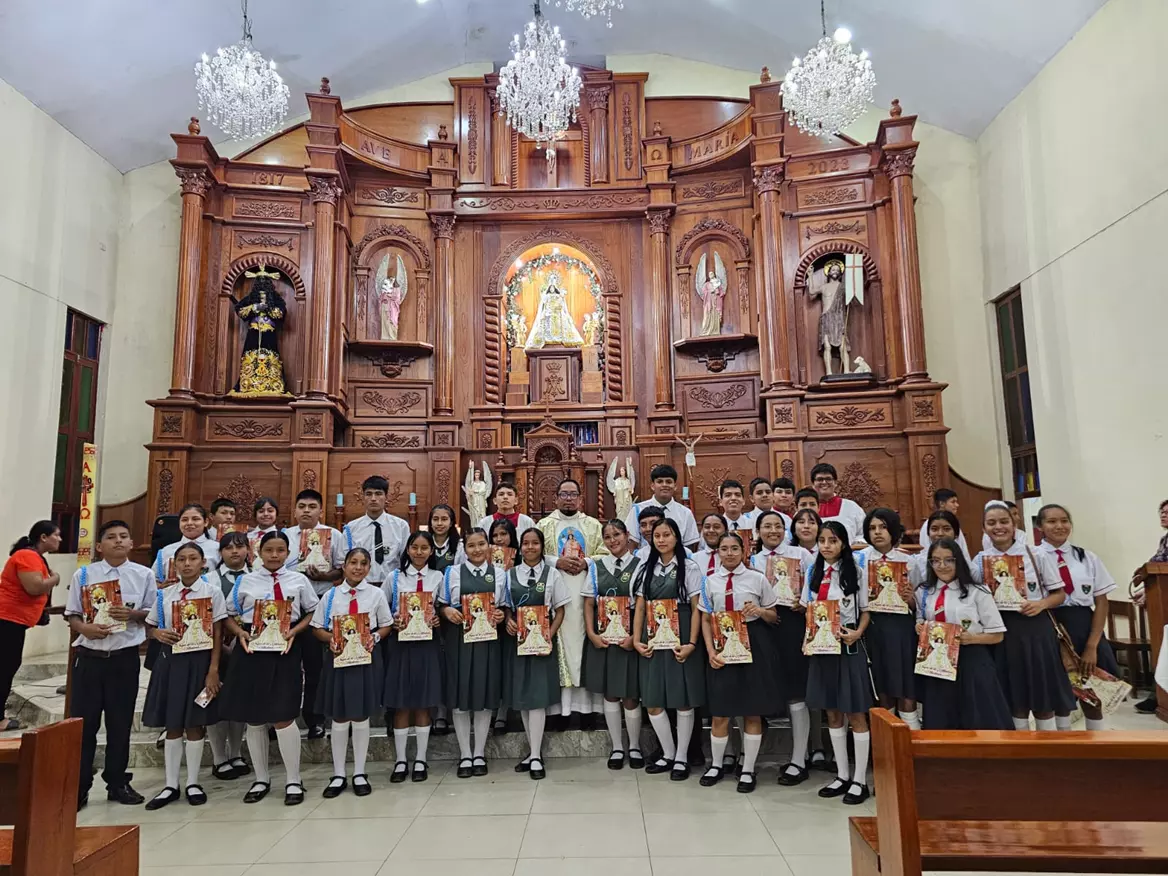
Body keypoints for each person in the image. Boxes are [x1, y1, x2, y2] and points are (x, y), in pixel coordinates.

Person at [221, 531, 319, 805]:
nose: (274, 555)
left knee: (284, 715)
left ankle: (293, 779)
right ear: (259, 552)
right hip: (252, 652)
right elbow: (227, 614)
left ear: (288, 553)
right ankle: (261, 778)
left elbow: (313, 611)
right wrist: (239, 632)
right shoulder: (245, 581)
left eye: (280, 550)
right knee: (254, 717)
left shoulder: (298, 580)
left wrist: (295, 631)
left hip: (285, 650)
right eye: (269, 550)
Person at [65, 520, 152, 808]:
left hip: (123, 659)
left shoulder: (143, 575)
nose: (118, 541)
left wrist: (133, 615)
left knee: (120, 723)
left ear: (131, 543)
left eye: (124, 536)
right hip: (90, 659)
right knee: (84, 725)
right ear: (100, 546)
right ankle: (79, 786)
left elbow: (152, 613)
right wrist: (84, 628)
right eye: (111, 537)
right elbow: (72, 614)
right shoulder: (84, 574)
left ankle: (117, 782)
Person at [972, 500, 1074, 731]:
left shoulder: (1036, 554)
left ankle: (1047, 744)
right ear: (984, 528)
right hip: (1001, 632)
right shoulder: (979, 560)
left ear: (1014, 523)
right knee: (1012, 695)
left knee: (1042, 694)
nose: (999, 527)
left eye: (1004, 521)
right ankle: (1020, 744)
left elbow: (1059, 594)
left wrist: (1041, 604)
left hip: (1035, 630)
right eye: (992, 523)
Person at [142, 542, 227, 809]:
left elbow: (217, 633)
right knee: (173, 724)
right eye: (181, 559)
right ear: (175, 564)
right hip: (171, 663)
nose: (187, 564)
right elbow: (149, 627)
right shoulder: (165, 595)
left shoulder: (212, 593)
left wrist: (213, 670)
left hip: (200, 663)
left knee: (194, 724)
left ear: (203, 563)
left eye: (193, 558)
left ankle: (192, 782)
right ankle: (171, 785)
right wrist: (157, 633)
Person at [699, 533, 781, 793]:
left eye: (735, 548)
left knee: (751, 711)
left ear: (744, 551)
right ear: (718, 553)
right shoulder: (710, 581)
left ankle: (748, 768)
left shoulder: (757, 579)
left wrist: (760, 611)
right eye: (724, 549)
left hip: (753, 646)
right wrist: (710, 651)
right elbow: (705, 619)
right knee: (720, 711)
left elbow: (774, 616)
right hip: (722, 646)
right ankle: (716, 765)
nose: (730, 553)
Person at [312, 548, 393, 798]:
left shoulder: (376, 594)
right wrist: (330, 639)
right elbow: (317, 627)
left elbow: (386, 625)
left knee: (360, 715)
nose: (358, 568)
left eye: (363, 563)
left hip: (366, 660)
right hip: (339, 660)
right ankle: (338, 774)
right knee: (339, 716)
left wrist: (374, 638)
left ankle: (359, 772)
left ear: (369, 568)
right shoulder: (331, 595)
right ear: (344, 566)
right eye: (353, 563)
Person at [802, 521, 873, 805]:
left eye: (832, 540)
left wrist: (857, 633)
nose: (826, 546)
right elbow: (809, 610)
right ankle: (842, 775)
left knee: (855, 713)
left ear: (843, 543)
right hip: (822, 649)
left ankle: (859, 780)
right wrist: (807, 639)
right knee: (832, 712)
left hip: (848, 646)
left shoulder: (855, 571)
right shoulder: (813, 571)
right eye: (822, 540)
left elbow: (865, 610)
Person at [631, 518, 705, 781]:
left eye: (667, 535)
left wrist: (692, 643)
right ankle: (669, 753)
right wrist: (636, 639)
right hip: (652, 637)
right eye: (657, 536)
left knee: (682, 700)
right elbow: (641, 607)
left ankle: (682, 757)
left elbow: (697, 608)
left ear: (677, 537)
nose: (661, 540)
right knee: (653, 701)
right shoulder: (645, 569)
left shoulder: (690, 567)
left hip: (680, 636)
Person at [1035, 504, 1120, 730]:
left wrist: (1092, 645)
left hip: (1084, 625)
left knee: (1091, 692)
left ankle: (1096, 742)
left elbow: (1101, 601)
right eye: (1051, 521)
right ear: (1040, 526)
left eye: (1064, 520)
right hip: (1049, 625)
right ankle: (1063, 743)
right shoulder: (1033, 557)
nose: (1059, 526)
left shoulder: (1086, 557)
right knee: (1058, 693)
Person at [915, 539, 1013, 729]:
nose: (942, 566)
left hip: (971, 660)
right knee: (942, 718)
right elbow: (920, 617)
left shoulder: (977, 591)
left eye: (948, 560)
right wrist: (919, 626)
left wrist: (972, 639)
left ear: (958, 561)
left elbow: (997, 635)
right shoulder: (924, 591)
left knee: (978, 718)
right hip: (937, 663)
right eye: (936, 561)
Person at [752, 510, 816, 785]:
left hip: (793, 624)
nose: (773, 531)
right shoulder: (753, 559)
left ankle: (799, 759)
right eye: (767, 526)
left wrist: (804, 602)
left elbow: (815, 586)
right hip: (765, 627)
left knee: (795, 691)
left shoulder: (800, 555)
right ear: (758, 531)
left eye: (778, 526)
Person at [537, 478, 606, 729]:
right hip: (555, 596)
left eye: (572, 494)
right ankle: (559, 711)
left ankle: (587, 711)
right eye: (563, 494)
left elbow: (607, 552)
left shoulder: (592, 525)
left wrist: (586, 561)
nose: (568, 499)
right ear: (556, 498)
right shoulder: (544, 525)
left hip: (586, 596)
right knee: (560, 647)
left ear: (580, 498)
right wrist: (557, 561)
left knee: (584, 647)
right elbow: (532, 553)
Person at [439, 529, 507, 778]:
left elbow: (504, 606)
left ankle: (479, 753)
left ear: (488, 546)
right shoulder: (452, 573)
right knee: (460, 696)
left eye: (481, 544)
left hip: (488, 641)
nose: (477, 550)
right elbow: (441, 604)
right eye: (471, 545)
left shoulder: (500, 574)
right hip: (459, 641)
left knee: (483, 694)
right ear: (464, 549)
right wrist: (447, 612)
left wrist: (501, 614)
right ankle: (464, 754)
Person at [505, 528, 571, 780]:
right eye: (526, 543)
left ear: (542, 547)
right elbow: (506, 608)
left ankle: (534, 756)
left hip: (542, 646)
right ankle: (534, 753)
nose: (530, 547)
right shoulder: (510, 575)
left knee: (537, 698)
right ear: (520, 547)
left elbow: (560, 610)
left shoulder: (552, 574)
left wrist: (548, 635)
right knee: (524, 697)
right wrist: (509, 621)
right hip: (518, 646)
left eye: (535, 543)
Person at [282, 489, 346, 740]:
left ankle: (315, 719)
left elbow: (342, 570)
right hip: (289, 608)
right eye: (302, 506)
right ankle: (282, 718)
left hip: (320, 604)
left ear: (321, 510)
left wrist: (323, 576)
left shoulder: (334, 535)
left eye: (311, 507)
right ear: (294, 511)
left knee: (316, 666)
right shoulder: (285, 536)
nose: (306, 511)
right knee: (287, 667)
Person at [582, 520, 644, 770]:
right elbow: (589, 603)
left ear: (627, 535)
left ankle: (635, 746)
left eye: (616, 534)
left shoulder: (640, 565)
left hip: (629, 639)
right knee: (610, 692)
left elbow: (643, 605)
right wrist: (592, 634)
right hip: (604, 638)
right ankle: (617, 747)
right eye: (607, 537)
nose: (612, 540)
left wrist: (635, 637)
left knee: (630, 694)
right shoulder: (597, 567)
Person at [383, 531, 444, 783]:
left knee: (423, 702)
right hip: (401, 646)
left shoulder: (438, 577)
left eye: (424, 548)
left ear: (432, 551)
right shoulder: (394, 578)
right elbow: (382, 610)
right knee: (402, 703)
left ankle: (420, 758)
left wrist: (439, 618)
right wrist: (393, 621)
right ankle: (400, 760)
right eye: (415, 547)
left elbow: (442, 606)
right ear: (407, 550)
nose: (419, 552)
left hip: (427, 645)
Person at [858, 509, 920, 729]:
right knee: (881, 685)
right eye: (872, 528)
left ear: (893, 530)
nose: (877, 532)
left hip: (902, 629)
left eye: (883, 527)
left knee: (905, 686)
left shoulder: (909, 561)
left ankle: (912, 736)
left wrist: (911, 599)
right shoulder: (859, 560)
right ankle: (887, 737)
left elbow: (918, 600)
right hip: (873, 626)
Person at [0, 520, 60, 732]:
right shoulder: (27, 556)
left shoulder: (34, 556)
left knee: (7, 666)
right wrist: (55, 578)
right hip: (7, 619)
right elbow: (35, 587)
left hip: (13, 620)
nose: (60, 539)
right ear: (43, 537)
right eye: (56, 535)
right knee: (5, 667)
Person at [204, 531, 251, 780]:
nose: (234, 551)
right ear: (220, 552)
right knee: (216, 700)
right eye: (229, 547)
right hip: (215, 648)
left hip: (247, 647)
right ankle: (218, 757)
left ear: (248, 550)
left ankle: (235, 752)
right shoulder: (209, 579)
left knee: (240, 700)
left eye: (240, 546)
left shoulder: (256, 577)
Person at [1130, 499, 1168, 713]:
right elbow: (1157, 569)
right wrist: (1147, 591)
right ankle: (1159, 695)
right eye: (1161, 512)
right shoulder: (1165, 540)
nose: (1163, 515)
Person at [343, 475, 411, 585]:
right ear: (363, 497)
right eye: (369, 494)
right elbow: (345, 561)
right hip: (361, 585)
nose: (373, 498)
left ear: (386, 497)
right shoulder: (351, 528)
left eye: (378, 494)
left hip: (393, 585)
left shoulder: (401, 526)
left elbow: (407, 559)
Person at [489, 518, 521, 732]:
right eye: (495, 535)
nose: (499, 539)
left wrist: (509, 616)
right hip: (490, 619)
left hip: (512, 620)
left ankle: (503, 711)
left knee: (507, 666)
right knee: (493, 667)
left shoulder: (520, 560)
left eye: (504, 534)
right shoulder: (484, 560)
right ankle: (492, 708)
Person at [625, 464, 700, 551]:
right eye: (660, 481)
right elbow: (631, 543)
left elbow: (690, 545)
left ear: (675, 486)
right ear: (652, 486)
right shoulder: (637, 510)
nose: (664, 485)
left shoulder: (685, 513)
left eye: (668, 482)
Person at [155, 503, 220, 584]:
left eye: (195, 519)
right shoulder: (166, 551)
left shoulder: (218, 549)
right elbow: (153, 581)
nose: (189, 523)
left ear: (206, 522)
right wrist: (161, 586)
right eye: (184, 520)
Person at [809, 464, 866, 546]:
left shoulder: (852, 507)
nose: (824, 482)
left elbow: (863, 533)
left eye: (828, 479)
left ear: (835, 483)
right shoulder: (807, 509)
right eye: (820, 479)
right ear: (813, 484)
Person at [919, 489, 969, 556]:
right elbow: (926, 552)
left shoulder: (953, 522)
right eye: (953, 502)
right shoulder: (929, 524)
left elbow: (963, 551)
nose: (957, 505)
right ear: (942, 504)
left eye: (947, 529)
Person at [429, 504, 465, 572]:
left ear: (451, 523)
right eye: (435, 519)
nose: (439, 523)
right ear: (430, 522)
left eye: (444, 519)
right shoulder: (425, 543)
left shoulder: (460, 546)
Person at [692, 512, 728, 578]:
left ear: (726, 531)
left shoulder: (731, 556)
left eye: (716, 527)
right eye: (707, 527)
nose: (711, 530)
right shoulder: (693, 559)